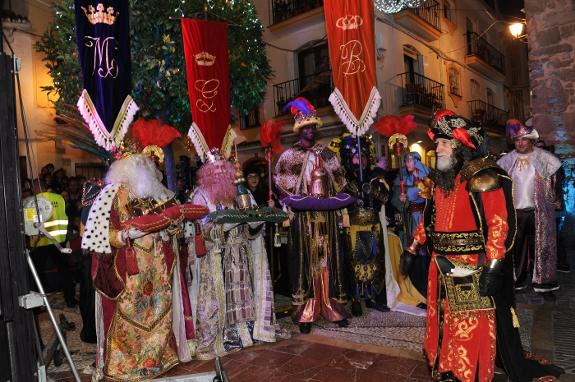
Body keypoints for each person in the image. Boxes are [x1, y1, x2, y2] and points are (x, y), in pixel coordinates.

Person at [401, 110, 563, 382]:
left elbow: (498, 224)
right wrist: (412, 248)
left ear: (458, 145)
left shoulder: (482, 176)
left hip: (469, 265)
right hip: (438, 264)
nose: (436, 147)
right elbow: (431, 219)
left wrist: (493, 266)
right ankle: (445, 367)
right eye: (437, 142)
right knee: (442, 317)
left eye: (442, 142)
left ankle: (466, 373)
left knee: (468, 324)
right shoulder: (441, 180)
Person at [82, 153, 205, 380]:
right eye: (139, 165)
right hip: (129, 270)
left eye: (147, 165)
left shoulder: (157, 193)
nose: (146, 168)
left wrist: (172, 229)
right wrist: (125, 234)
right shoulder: (110, 195)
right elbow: (100, 237)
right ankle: (127, 364)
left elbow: (171, 225)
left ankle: (159, 358)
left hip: (157, 269)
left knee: (159, 312)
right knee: (130, 315)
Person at [188, 149, 276, 359]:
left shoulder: (239, 191)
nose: (220, 175)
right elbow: (199, 230)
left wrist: (257, 220)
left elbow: (253, 224)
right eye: (215, 171)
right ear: (207, 173)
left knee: (244, 293)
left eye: (223, 171)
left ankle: (245, 332)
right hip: (218, 256)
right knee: (222, 297)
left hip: (242, 253)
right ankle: (226, 335)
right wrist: (224, 227)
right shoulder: (200, 195)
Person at [274, 97, 349, 333]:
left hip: (326, 219)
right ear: (299, 130)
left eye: (312, 127)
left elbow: (340, 181)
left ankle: (331, 307)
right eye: (305, 127)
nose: (309, 131)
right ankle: (306, 311)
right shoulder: (289, 157)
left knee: (328, 262)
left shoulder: (327, 154)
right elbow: (282, 184)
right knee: (306, 264)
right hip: (304, 220)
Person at [497, 118, 563, 295]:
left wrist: (556, 199)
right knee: (517, 248)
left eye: (524, 139)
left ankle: (544, 282)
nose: (520, 143)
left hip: (539, 212)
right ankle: (517, 281)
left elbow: (556, 181)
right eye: (517, 140)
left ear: (531, 140)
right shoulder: (506, 160)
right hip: (516, 213)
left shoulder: (544, 158)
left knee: (543, 247)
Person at [328, 133, 390, 315]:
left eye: (362, 157)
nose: (360, 160)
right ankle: (355, 299)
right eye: (356, 157)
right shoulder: (344, 180)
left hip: (371, 225)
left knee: (371, 262)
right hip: (353, 226)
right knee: (354, 263)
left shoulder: (375, 176)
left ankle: (371, 298)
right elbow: (338, 200)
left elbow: (384, 198)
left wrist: (370, 190)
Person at [392, 152, 430, 299]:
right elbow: (394, 200)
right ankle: (415, 289)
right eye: (406, 161)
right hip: (411, 219)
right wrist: (402, 200)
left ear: (417, 162)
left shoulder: (425, 177)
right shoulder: (402, 180)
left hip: (425, 219)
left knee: (426, 253)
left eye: (410, 161)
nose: (407, 164)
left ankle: (427, 289)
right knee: (411, 254)